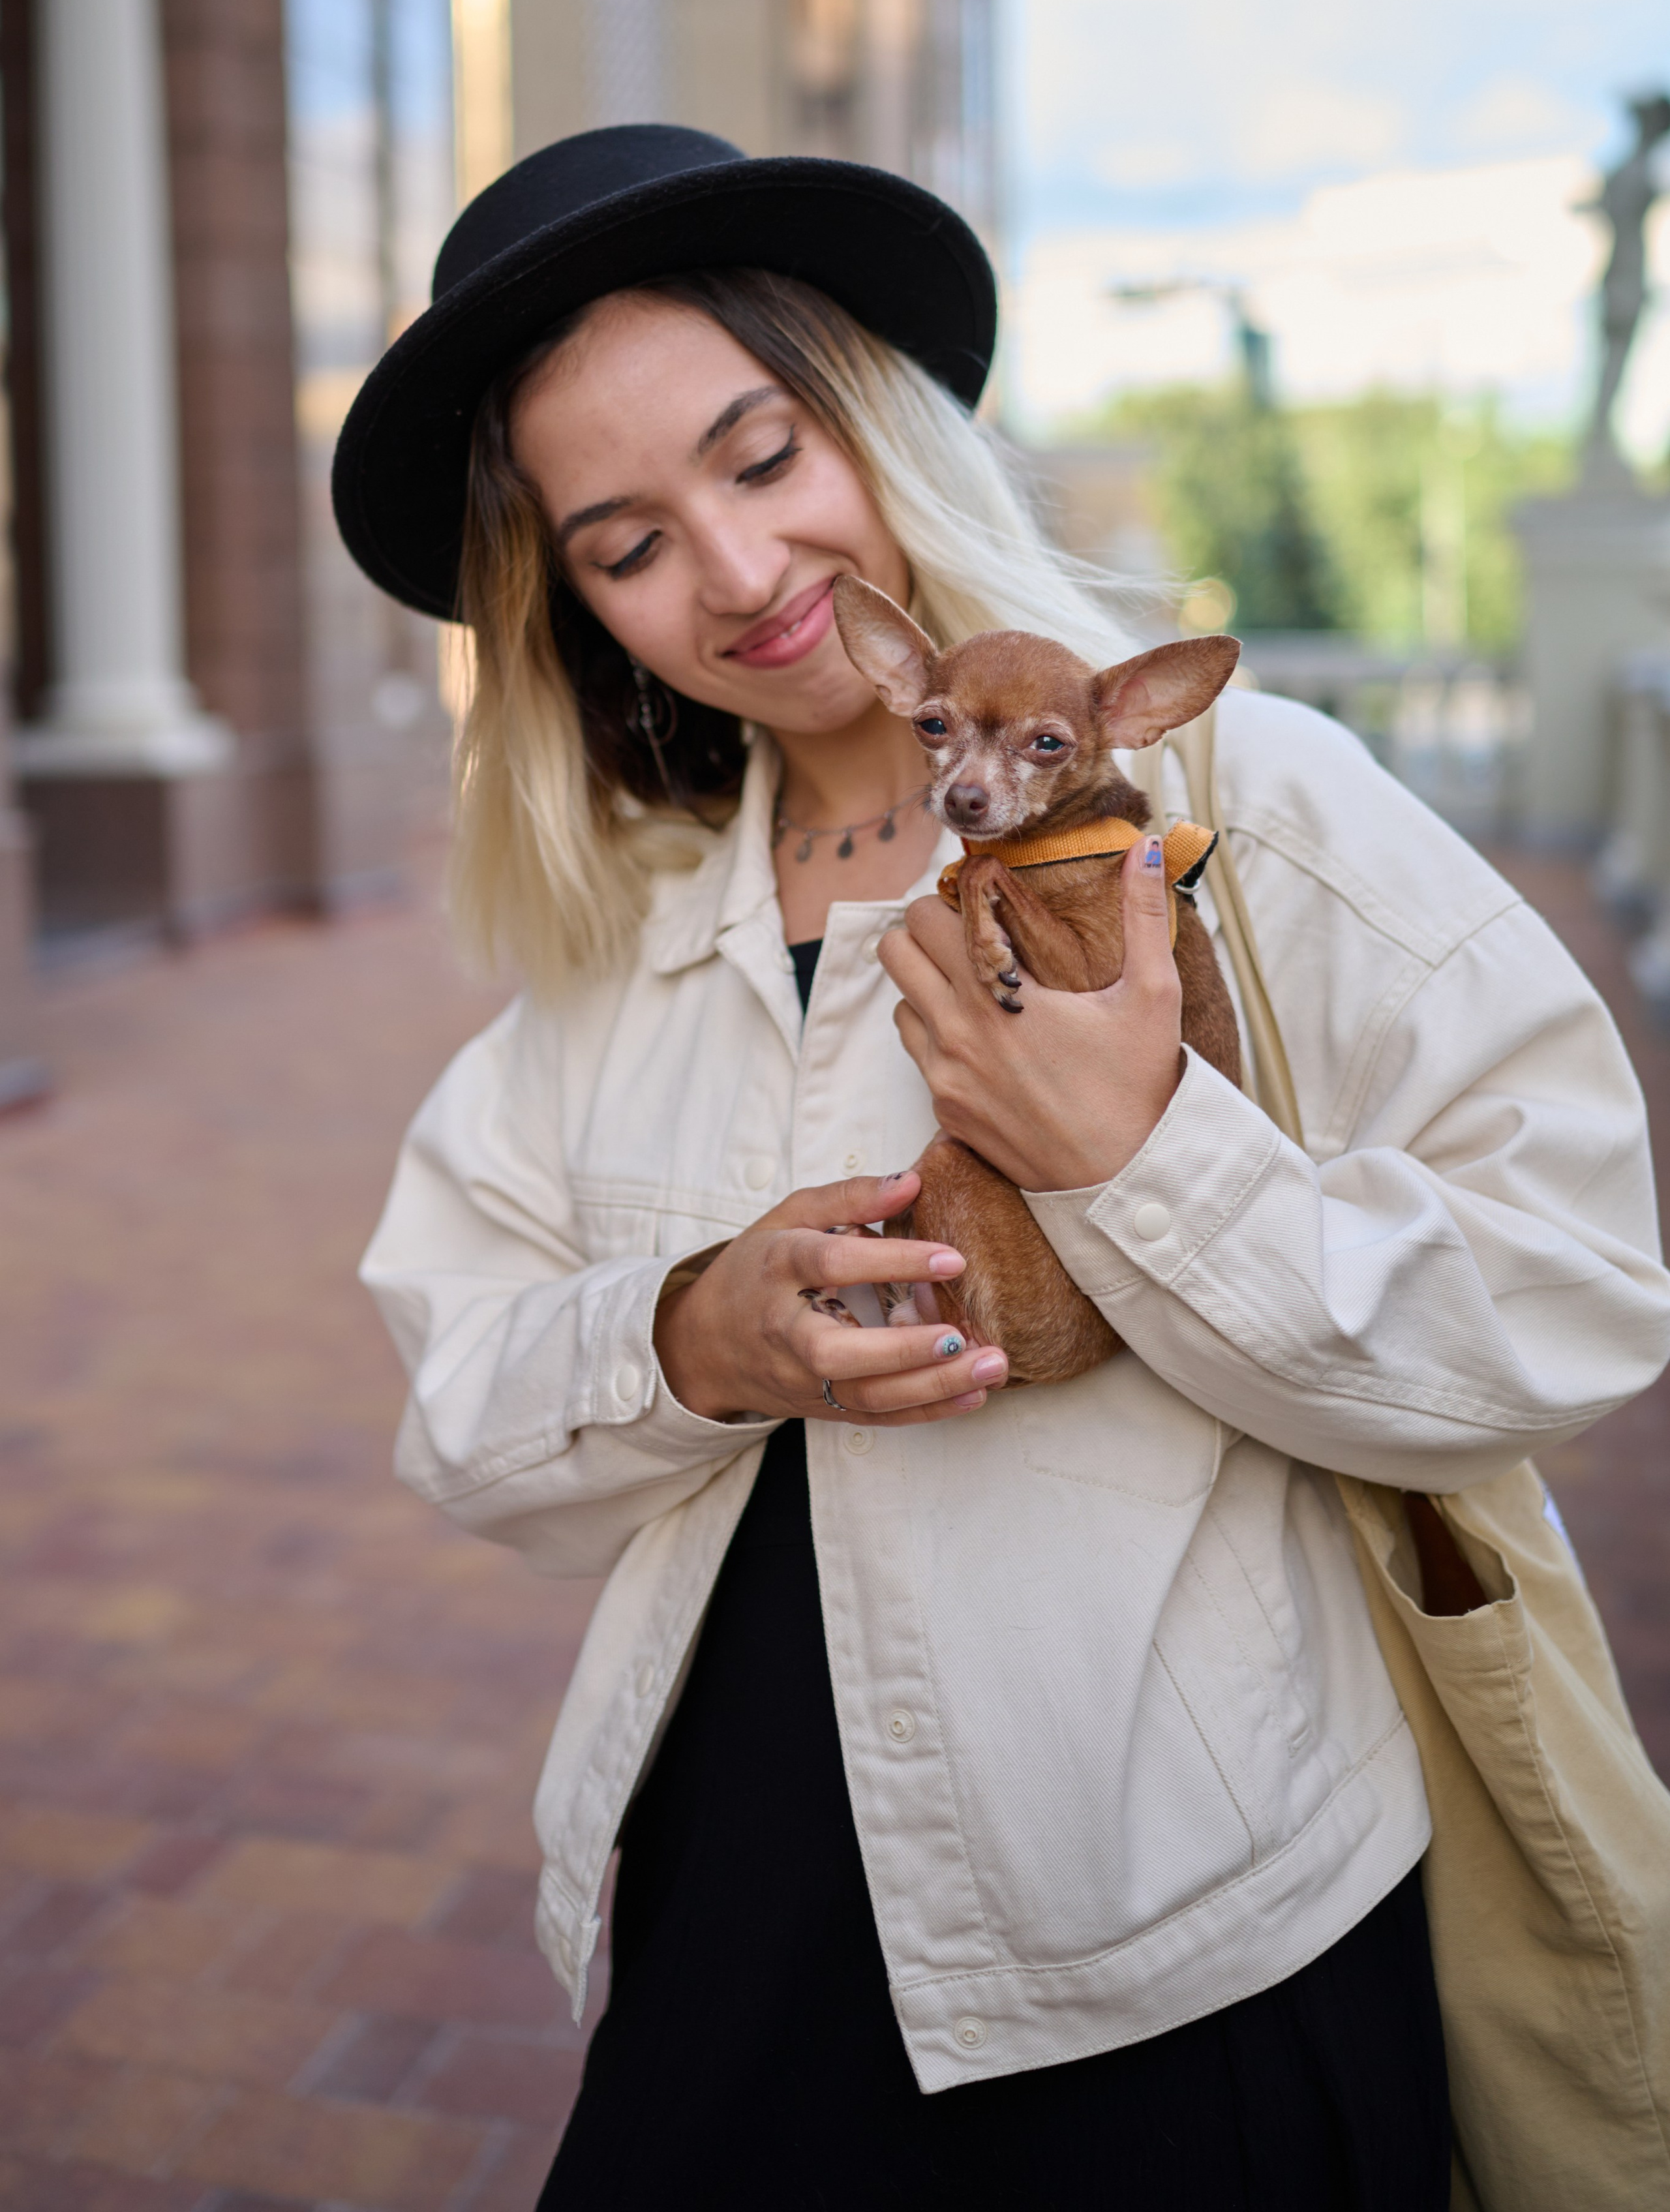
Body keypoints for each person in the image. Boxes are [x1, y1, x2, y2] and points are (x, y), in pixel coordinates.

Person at [335, 127, 1670, 2210]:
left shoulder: (1245, 810)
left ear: (875, 416)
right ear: (573, 611)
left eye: (763, 455)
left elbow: (1576, 1284)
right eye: (628, 543)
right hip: (726, 1919)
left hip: (1187, 1944)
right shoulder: (626, 953)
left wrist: (1140, 1162)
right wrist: (690, 1338)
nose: (740, 572)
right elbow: (462, 1407)